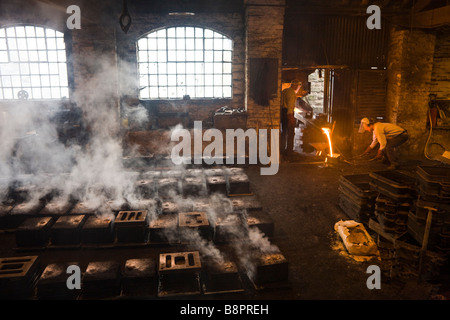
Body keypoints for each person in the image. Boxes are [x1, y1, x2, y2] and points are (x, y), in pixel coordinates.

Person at [280, 79, 301, 157]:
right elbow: (290, 106)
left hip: (282, 112)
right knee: (291, 132)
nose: (298, 88)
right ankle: (289, 151)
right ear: (295, 85)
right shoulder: (292, 93)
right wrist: (291, 117)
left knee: (284, 131)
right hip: (288, 113)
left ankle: (281, 149)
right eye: (298, 86)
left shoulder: (285, 90)